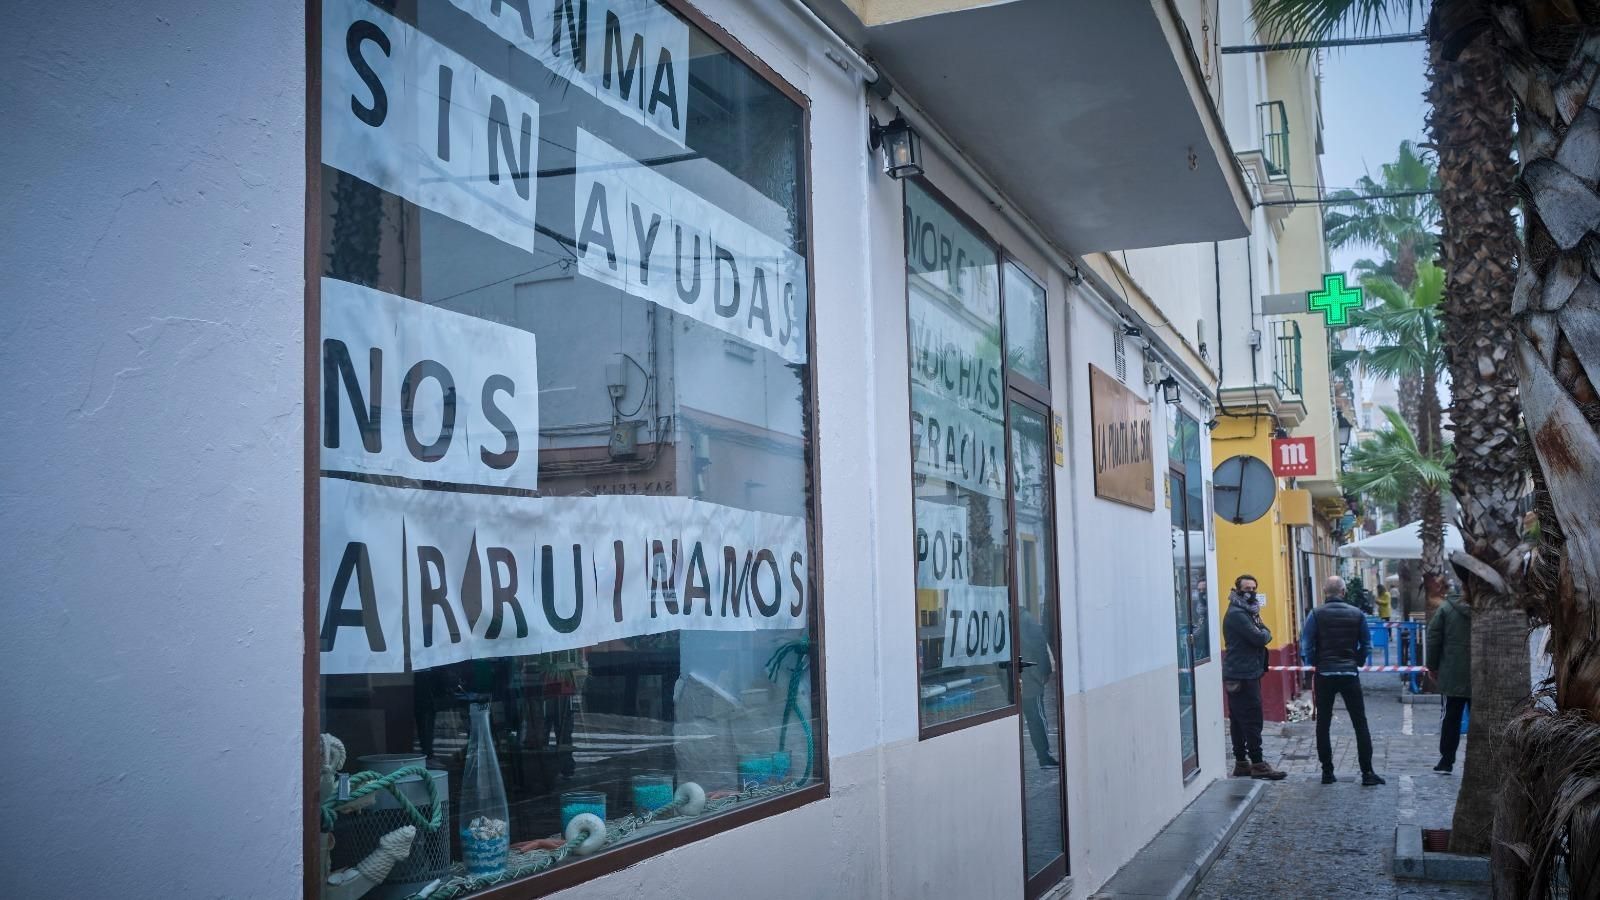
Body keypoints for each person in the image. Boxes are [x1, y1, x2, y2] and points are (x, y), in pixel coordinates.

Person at [1301, 576, 1386, 786]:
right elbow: (1366, 644)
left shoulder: (1316, 614)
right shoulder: (1357, 614)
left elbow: (1306, 644)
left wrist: (1315, 662)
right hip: (1349, 674)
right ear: (1344, 592)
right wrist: (1356, 661)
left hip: (1325, 674)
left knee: (1323, 724)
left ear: (1325, 592)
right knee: (1360, 723)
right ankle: (1367, 772)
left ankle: (1327, 772)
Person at [1222, 575, 1286, 780]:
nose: (1251, 592)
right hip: (1242, 674)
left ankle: (1242, 763)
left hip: (1244, 671)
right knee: (1251, 719)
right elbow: (1261, 637)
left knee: (1240, 719)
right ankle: (1257, 764)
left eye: (1253, 588)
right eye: (1246, 588)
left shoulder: (1247, 612)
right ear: (1237, 590)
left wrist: (1262, 629)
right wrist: (1265, 632)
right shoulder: (1238, 614)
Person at [1426, 592, 1472, 773]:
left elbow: (1433, 638)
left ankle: (1446, 760)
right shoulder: (1485, 608)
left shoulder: (1446, 608)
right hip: (1480, 673)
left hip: (1452, 673)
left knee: (1450, 718)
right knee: (1480, 719)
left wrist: (1432, 666)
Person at [1019, 612, 1060, 767]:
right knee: (1037, 718)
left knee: (1033, 719)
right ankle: (1044, 757)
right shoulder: (1026, 618)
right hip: (1030, 678)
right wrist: (1044, 672)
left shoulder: (1017, 618)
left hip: (1020, 677)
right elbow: (1040, 645)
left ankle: (1043, 756)